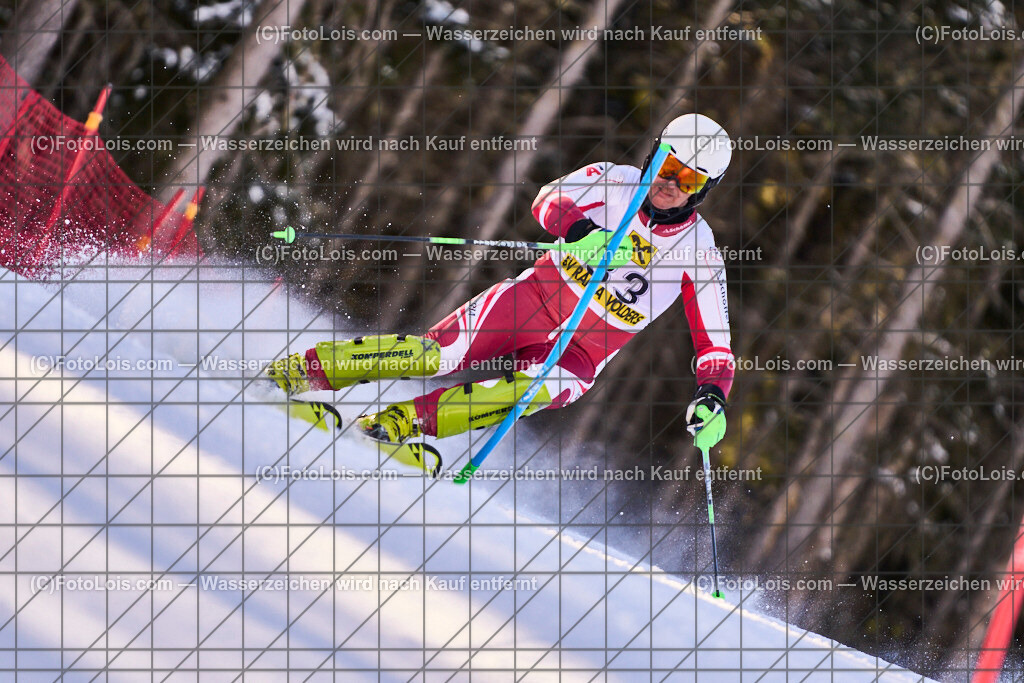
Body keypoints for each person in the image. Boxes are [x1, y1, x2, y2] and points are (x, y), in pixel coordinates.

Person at [266, 113, 735, 451]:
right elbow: (549, 199)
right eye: (668, 168)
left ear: (703, 191)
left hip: (581, 352)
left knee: (533, 389)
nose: (671, 185)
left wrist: (713, 396)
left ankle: (399, 424)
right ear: (654, 156)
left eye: (689, 181)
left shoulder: (700, 252)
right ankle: (304, 370)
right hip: (532, 301)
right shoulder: (615, 181)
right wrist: (580, 232)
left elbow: (715, 345)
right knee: (438, 355)